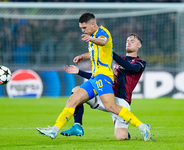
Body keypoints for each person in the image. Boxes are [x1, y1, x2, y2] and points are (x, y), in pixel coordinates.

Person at [37, 13, 151, 141]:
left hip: (115, 91)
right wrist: (81, 59)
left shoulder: (104, 34)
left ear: (92, 24)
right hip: (98, 81)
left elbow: (104, 41)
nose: (83, 31)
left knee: (118, 126)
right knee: (74, 96)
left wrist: (95, 41)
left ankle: (142, 126)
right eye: (81, 28)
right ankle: (58, 129)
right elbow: (96, 53)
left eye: (84, 28)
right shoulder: (99, 45)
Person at [61, 33, 146, 141]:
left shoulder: (140, 62)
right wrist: (79, 71)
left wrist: (111, 53)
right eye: (127, 40)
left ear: (139, 45)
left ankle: (125, 129)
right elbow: (99, 77)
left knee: (121, 137)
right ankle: (78, 125)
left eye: (132, 41)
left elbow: (131, 68)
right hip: (106, 96)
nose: (128, 42)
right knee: (76, 91)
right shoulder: (118, 60)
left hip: (121, 102)